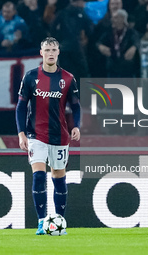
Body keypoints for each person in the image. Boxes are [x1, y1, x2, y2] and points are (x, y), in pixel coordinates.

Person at [15, 37, 81, 235]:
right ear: (41, 52)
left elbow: (76, 106)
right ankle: (42, 222)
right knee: (38, 175)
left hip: (60, 136)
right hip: (36, 134)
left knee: (59, 178)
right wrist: (21, 133)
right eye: (47, 49)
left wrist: (75, 126)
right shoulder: (30, 76)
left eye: (54, 50)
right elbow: (20, 107)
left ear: (58, 53)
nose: (51, 53)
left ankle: (60, 221)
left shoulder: (68, 78)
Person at [97, 9, 140, 78]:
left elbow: (137, 41)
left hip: (127, 69)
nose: (112, 20)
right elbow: (99, 42)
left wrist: (134, 48)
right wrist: (100, 46)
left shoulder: (131, 32)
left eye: (116, 17)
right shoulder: (109, 32)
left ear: (122, 19)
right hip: (112, 68)